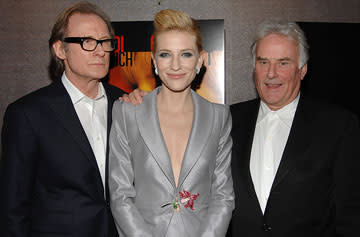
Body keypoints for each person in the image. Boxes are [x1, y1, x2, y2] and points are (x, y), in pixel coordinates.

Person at [0, 2, 124, 236]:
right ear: (60, 50)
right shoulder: (27, 114)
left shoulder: (126, 104)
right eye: (87, 41)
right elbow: (13, 208)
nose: (100, 50)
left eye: (106, 42)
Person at [108, 9, 234, 237]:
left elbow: (223, 196)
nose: (175, 66)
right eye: (166, 54)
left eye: (186, 54)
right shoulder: (127, 112)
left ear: (201, 60)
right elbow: (120, 195)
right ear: (154, 60)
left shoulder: (219, 116)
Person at [228, 21, 360, 236]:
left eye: (283, 63)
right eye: (263, 62)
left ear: (302, 70)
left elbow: (351, 214)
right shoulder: (228, 120)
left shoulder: (338, 126)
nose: (271, 73)